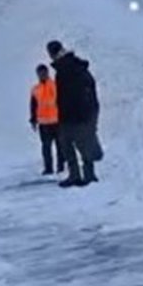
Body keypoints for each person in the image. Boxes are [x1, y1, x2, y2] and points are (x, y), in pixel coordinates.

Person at [47, 40, 103, 188]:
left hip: (75, 115)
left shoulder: (68, 69)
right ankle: (80, 175)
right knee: (70, 145)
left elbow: (75, 94)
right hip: (71, 114)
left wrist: (82, 112)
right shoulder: (71, 67)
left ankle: (84, 175)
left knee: (79, 145)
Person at [30, 64, 64, 176]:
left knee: (60, 145)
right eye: (40, 73)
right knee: (46, 147)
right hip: (44, 123)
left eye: (44, 73)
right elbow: (33, 105)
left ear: (47, 73)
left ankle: (61, 166)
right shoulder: (35, 89)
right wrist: (33, 119)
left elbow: (62, 101)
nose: (42, 75)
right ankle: (48, 168)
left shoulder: (55, 86)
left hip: (57, 121)